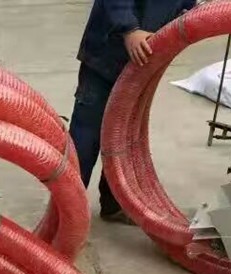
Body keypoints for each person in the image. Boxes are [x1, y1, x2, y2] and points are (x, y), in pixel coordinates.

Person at [70, 0, 196, 223]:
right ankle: (68, 208)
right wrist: (129, 29)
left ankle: (114, 202)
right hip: (107, 54)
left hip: (142, 62)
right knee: (87, 135)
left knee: (124, 136)